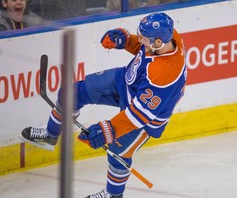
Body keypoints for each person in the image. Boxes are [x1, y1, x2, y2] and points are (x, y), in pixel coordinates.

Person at [21, 12, 187, 198]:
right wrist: (125, 41)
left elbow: (140, 115)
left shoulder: (165, 74)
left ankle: (113, 195)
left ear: (158, 43)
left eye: (143, 38)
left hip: (146, 118)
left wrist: (108, 129)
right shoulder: (167, 37)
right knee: (73, 93)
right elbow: (143, 50)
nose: (140, 40)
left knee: (118, 153)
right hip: (128, 84)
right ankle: (50, 134)